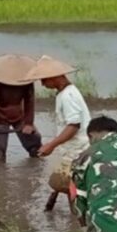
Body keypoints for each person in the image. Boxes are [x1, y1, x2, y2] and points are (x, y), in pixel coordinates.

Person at [23, 55, 91, 208]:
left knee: (73, 188)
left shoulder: (68, 96)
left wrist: (51, 145)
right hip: (72, 148)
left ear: (55, 77)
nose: (42, 83)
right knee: (67, 184)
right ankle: (77, 217)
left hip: (76, 149)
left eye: (44, 80)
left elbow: (73, 126)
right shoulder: (66, 92)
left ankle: (78, 220)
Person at [0, 54, 42, 162]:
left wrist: (28, 123)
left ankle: (36, 163)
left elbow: (29, 102)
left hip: (19, 115)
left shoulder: (27, 81)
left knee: (35, 144)